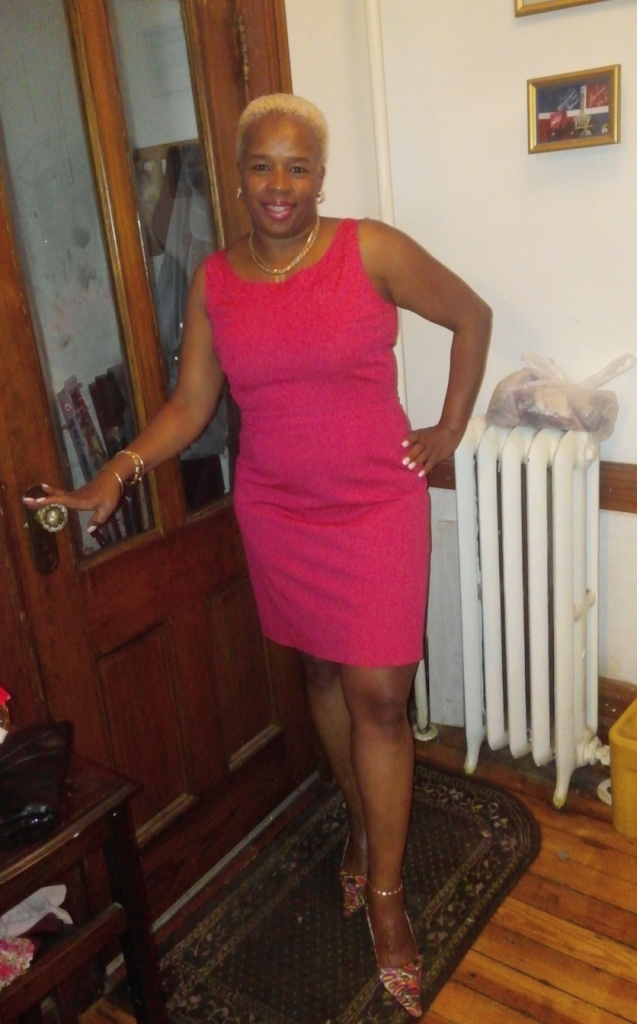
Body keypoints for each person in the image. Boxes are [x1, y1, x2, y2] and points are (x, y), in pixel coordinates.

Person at [24, 94, 491, 1017]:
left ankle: (387, 899)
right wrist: (116, 472)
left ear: (320, 175)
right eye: (262, 165)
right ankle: (359, 824)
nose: (280, 184)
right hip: (280, 513)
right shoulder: (214, 282)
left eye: (298, 166)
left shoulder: (369, 250)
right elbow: (191, 406)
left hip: (375, 508)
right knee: (320, 674)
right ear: (236, 176)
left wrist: (447, 427)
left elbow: (471, 316)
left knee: (381, 697)